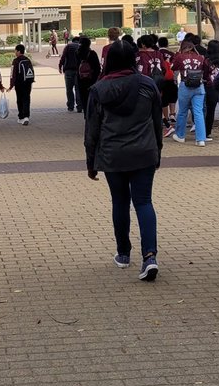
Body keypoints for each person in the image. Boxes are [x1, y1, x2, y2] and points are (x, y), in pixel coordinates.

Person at [84, 39, 162, 281]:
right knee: (144, 202)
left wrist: (91, 162)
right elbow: (157, 123)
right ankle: (149, 256)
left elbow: (92, 131)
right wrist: (157, 151)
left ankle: (123, 253)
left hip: (112, 154)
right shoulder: (148, 85)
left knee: (120, 202)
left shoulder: (98, 90)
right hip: (144, 153)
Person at [171, 36, 209, 145]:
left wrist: (177, 54)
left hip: (185, 86)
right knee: (198, 112)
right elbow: (206, 70)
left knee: (182, 111)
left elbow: (173, 67)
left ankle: (180, 135)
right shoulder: (201, 57)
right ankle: (201, 139)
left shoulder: (180, 57)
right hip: (199, 86)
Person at [156, 36, 178, 136]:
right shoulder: (172, 54)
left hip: (160, 79)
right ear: (167, 44)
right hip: (171, 78)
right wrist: (175, 78)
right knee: (172, 97)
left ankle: (166, 118)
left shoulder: (157, 54)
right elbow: (175, 67)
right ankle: (172, 114)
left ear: (158, 44)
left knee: (163, 100)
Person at [9, 43, 35, 124]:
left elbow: (13, 74)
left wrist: (11, 85)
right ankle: (26, 117)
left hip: (19, 83)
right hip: (28, 82)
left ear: (19, 51)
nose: (15, 52)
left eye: (15, 51)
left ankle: (21, 117)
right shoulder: (28, 60)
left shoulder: (16, 61)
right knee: (26, 99)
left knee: (19, 100)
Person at [76, 35, 101, 115]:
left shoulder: (77, 53)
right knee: (92, 99)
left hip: (81, 79)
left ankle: (86, 115)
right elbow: (97, 67)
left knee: (83, 98)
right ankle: (92, 116)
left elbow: (76, 66)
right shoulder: (92, 53)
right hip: (91, 79)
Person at [59, 34, 81, 111]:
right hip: (78, 71)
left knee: (69, 89)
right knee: (78, 89)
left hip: (68, 70)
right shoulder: (80, 47)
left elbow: (63, 57)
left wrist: (60, 66)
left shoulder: (68, 46)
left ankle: (70, 106)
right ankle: (79, 106)